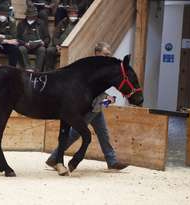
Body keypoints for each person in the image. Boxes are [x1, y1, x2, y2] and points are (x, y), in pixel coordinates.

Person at [46, 42, 128, 170]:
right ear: (97, 53)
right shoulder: (90, 67)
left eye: (109, 55)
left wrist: (106, 98)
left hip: (97, 106)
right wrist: (107, 98)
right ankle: (54, 158)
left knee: (103, 134)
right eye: (105, 54)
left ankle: (112, 161)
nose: (108, 57)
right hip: (88, 107)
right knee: (76, 133)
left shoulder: (100, 68)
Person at [45, 5, 78, 71]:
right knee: (49, 50)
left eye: (75, 13)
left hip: (73, 46)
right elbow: (55, 36)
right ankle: (49, 70)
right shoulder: (62, 22)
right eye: (71, 13)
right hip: (60, 45)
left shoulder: (79, 23)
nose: (73, 15)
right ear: (68, 14)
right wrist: (57, 45)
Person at [17, 6, 50, 71]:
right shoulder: (21, 24)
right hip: (25, 45)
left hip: (38, 46)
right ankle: (27, 69)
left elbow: (47, 37)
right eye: (29, 16)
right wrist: (24, 43)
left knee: (42, 49)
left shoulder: (41, 23)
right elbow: (17, 38)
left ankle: (38, 70)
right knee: (21, 49)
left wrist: (43, 43)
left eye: (33, 16)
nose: (31, 17)